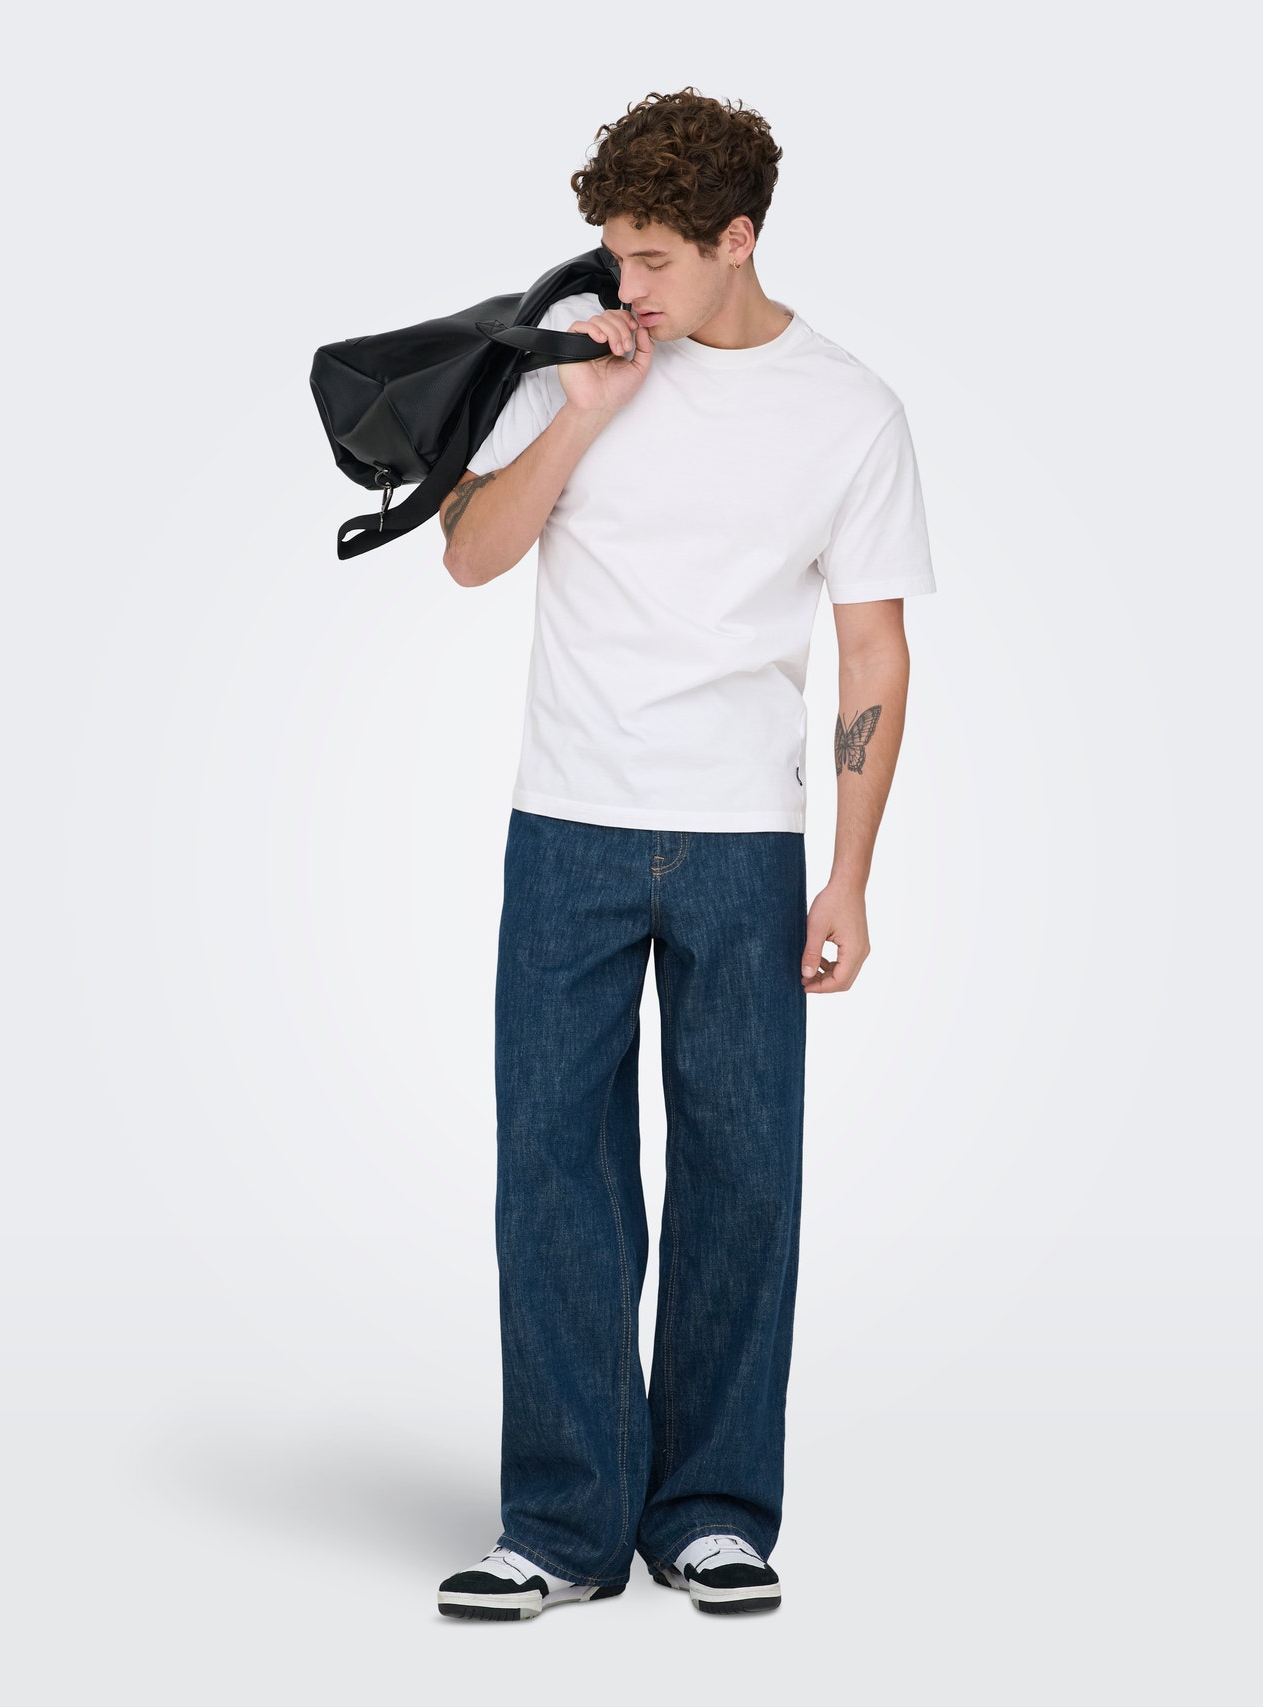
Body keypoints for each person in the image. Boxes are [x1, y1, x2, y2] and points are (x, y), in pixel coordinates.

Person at [433, 87, 936, 1622]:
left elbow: (873, 652)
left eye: (654, 258)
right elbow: (469, 553)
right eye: (614, 252)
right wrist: (584, 412)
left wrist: (849, 876)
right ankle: (564, 1526)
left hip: (743, 839)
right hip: (567, 823)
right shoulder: (570, 358)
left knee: (742, 1174)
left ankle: (712, 1511)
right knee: (552, 1173)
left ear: (739, 240)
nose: (626, 283)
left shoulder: (850, 410)